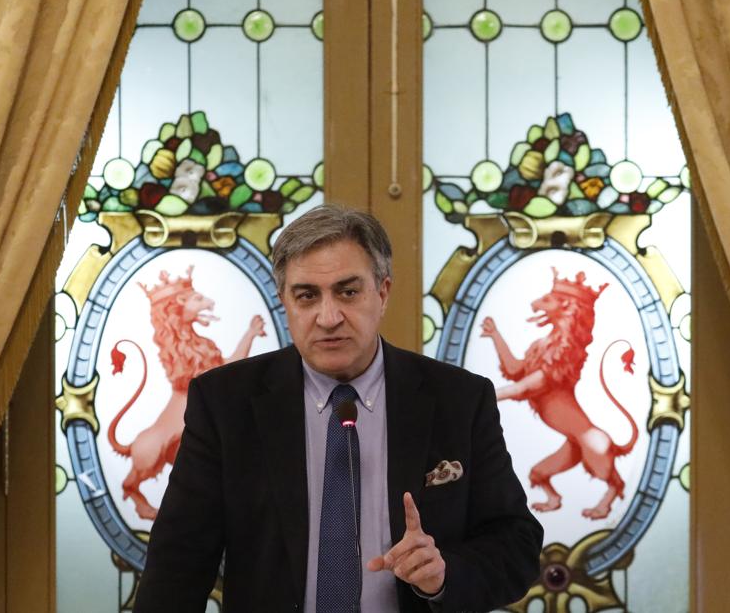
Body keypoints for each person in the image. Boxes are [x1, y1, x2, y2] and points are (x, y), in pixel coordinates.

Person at [135, 204, 544, 612]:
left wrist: (444, 575)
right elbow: (177, 565)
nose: (328, 317)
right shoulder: (226, 403)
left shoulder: (460, 399)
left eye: (348, 292)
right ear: (284, 302)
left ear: (382, 293)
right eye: (307, 296)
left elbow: (516, 545)